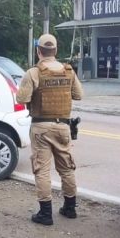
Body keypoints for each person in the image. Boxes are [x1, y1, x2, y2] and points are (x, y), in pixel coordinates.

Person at [16, 33, 83, 225]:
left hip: (41, 127)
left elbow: (21, 99)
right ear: (55, 51)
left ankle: (45, 214)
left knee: (42, 170)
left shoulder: (34, 73)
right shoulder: (68, 71)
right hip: (63, 126)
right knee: (66, 168)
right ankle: (70, 208)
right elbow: (78, 94)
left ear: (39, 51)